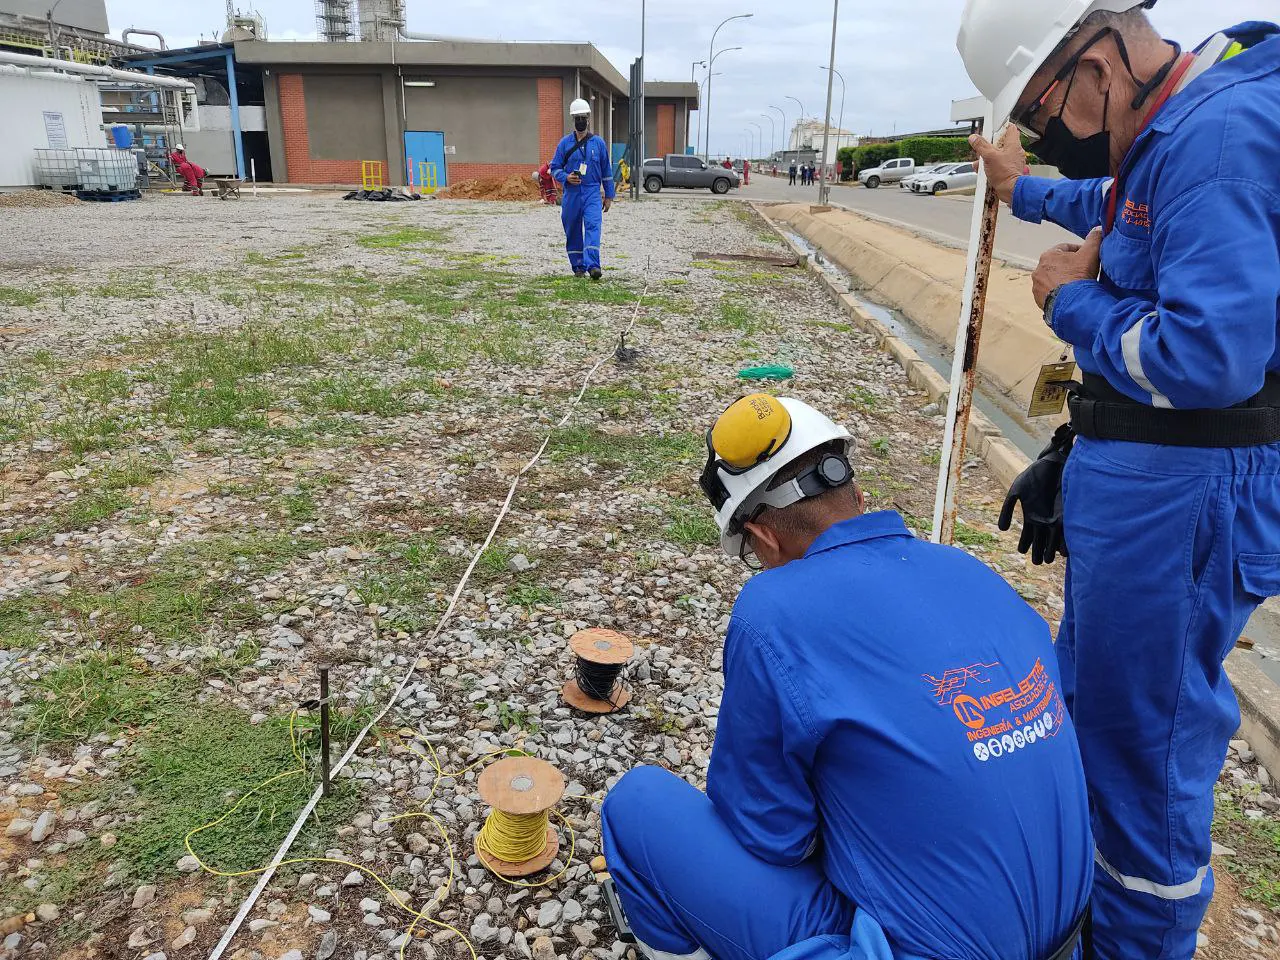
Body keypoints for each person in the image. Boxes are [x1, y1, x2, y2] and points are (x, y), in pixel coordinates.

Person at [958, 4, 1280, 958]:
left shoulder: (1214, 139)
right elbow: (1123, 206)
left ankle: (1141, 939)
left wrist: (1073, 303)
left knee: (1145, 748)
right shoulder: (1172, 124)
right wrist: (1023, 195)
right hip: (1148, 490)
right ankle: (1106, 904)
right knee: (1104, 714)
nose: (1054, 137)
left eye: (1049, 112)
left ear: (1098, 59)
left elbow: (1207, 358)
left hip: (1181, 501)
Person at [600, 394, 1093, 960]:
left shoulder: (774, 609)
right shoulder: (970, 571)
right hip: (1068, 940)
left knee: (637, 805)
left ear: (763, 537)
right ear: (857, 495)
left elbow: (771, 834)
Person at [550, 98, 615, 280]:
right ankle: (578, 266)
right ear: (573, 120)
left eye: (583, 117)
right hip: (572, 194)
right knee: (572, 228)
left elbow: (606, 172)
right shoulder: (564, 144)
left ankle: (593, 265)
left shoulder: (598, 144)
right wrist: (566, 177)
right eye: (577, 118)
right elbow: (554, 168)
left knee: (594, 226)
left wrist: (609, 195)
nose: (580, 121)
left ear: (588, 118)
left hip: (592, 192)